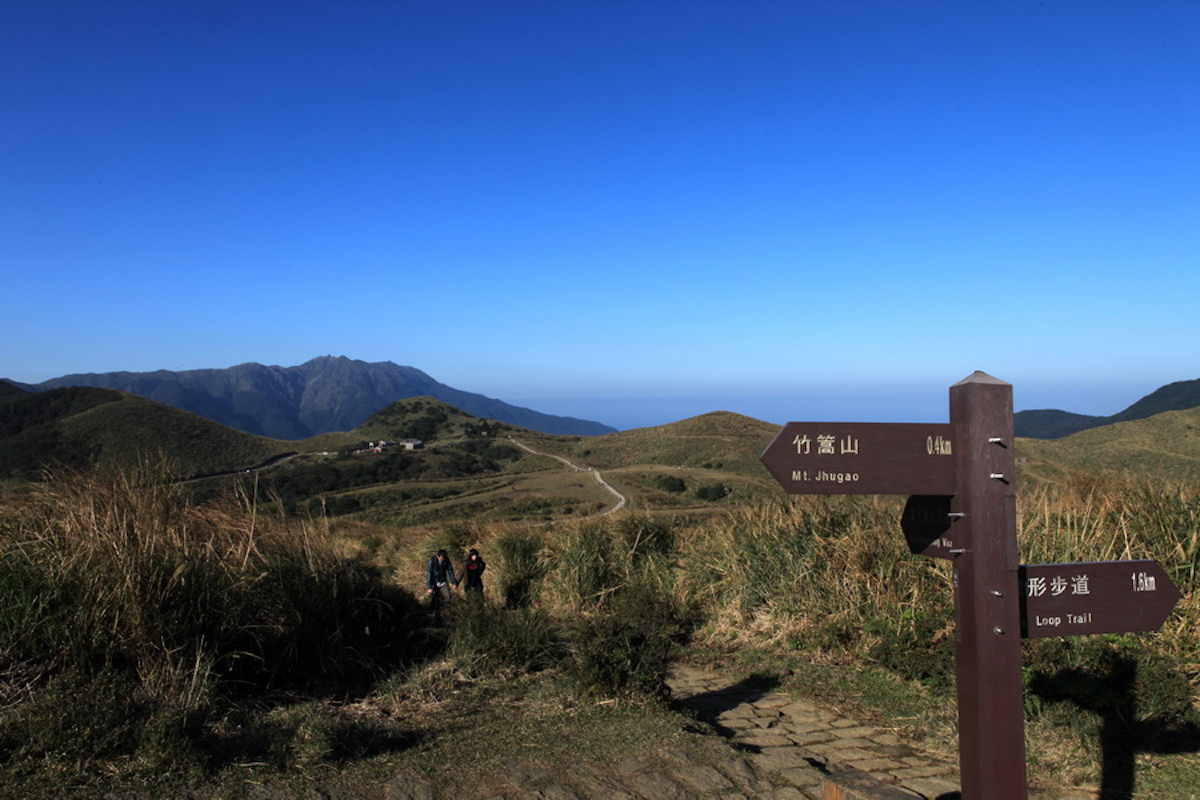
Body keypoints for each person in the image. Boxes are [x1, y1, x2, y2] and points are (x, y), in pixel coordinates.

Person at [426, 549, 458, 617]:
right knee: (435, 599)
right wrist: (429, 587)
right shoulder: (432, 561)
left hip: (443, 581)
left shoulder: (446, 561)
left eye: (444, 558)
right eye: (441, 558)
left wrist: (454, 582)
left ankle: (446, 614)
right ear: (438, 556)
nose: (443, 559)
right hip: (434, 582)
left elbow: (450, 571)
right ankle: (433, 613)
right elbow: (429, 574)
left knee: (448, 597)